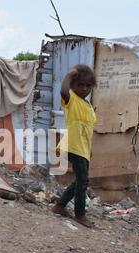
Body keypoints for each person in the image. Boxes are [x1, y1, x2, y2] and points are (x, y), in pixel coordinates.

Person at [51, 65, 97, 228]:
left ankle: (59, 206)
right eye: (80, 85)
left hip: (82, 149)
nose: (84, 89)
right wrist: (69, 76)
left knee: (80, 180)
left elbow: (88, 131)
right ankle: (80, 215)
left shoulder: (89, 107)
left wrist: (89, 149)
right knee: (83, 181)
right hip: (73, 145)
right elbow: (63, 92)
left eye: (88, 86)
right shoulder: (71, 99)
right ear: (73, 85)